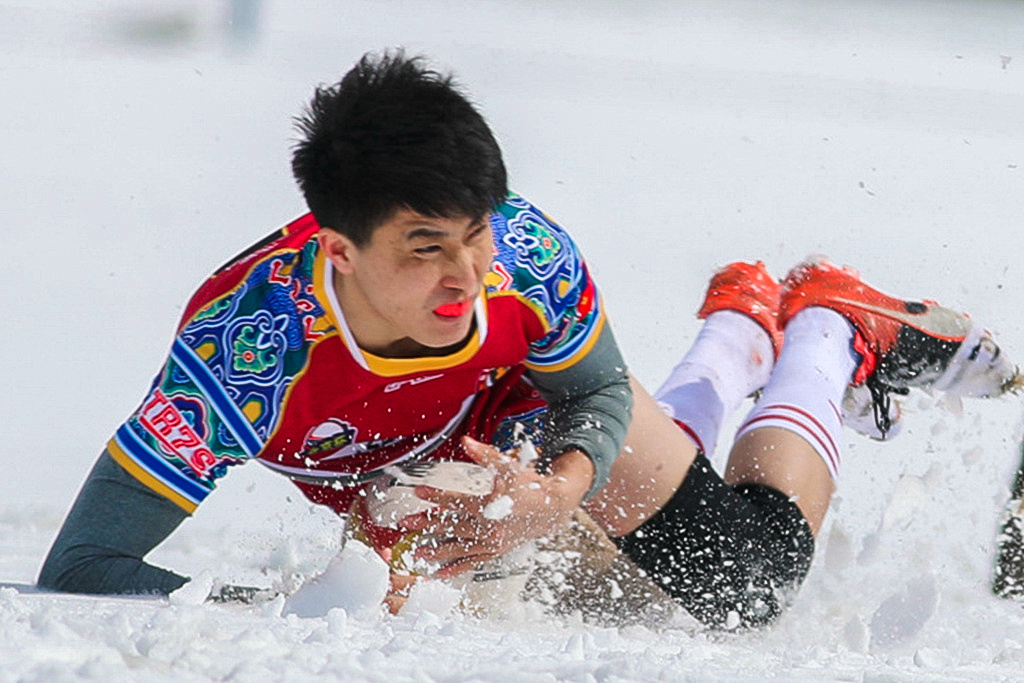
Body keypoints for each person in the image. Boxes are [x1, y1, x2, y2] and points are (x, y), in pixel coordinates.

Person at [38, 51, 1020, 629]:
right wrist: (295, 604)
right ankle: (739, 325)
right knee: (620, 607)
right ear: (338, 248)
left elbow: (594, 391)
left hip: (536, 425)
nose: (465, 276)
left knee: (742, 586)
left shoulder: (524, 252)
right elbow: (84, 567)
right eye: (425, 249)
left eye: (473, 233)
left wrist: (559, 486)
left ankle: (830, 327)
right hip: (416, 481)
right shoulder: (243, 357)